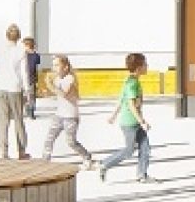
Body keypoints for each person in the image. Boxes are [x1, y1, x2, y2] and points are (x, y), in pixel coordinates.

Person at [98, 52, 155, 183]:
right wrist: (142, 121)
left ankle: (141, 175)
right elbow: (131, 105)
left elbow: (121, 100)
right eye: (145, 64)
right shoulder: (132, 84)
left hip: (134, 122)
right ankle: (104, 164)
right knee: (129, 151)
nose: (147, 66)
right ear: (139, 68)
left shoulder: (130, 80)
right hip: (130, 123)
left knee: (145, 147)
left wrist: (113, 115)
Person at [40, 54, 95, 167]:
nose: (54, 68)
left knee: (71, 142)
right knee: (49, 138)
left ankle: (86, 156)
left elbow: (64, 94)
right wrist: (47, 92)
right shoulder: (57, 79)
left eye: (57, 65)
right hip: (59, 115)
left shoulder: (70, 78)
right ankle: (45, 160)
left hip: (70, 117)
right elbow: (57, 93)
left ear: (65, 67)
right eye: (53, 65)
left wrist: (50, 86)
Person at [0, 24, 31, 160]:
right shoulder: (21, 51)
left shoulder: (0, 51)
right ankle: (21, 151)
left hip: (1, 87)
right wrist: (27, 90)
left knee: (2, 121)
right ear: (19, 37)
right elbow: (24, 72)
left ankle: (4, 152)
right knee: (18, 120)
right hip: (15, 88)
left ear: (7, 36)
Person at [21, 37, 42, 120]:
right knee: (26, 95)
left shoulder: (34, 55)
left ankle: (31, 111)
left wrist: (32, 51)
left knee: (31, 96)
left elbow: (37, 61)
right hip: (24, 78)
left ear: (28, 45)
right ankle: (27, 111)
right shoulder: (23, 55)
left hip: (31, 78)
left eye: (24, 45)